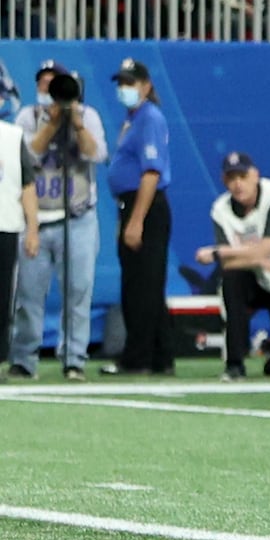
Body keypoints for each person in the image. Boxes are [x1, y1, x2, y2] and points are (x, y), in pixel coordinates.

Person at [9, 63, 106, 382]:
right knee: (29, 295)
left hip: (78, 216)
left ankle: (74, 358)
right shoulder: (28, 117)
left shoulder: (87, 115)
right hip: (37, 219)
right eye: (45, 83)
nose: (51, 90)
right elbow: (29, 155)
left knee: (78, 291)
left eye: (56, 83)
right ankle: (24, 359)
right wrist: (51, 124)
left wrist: (75, 122)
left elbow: (97, 154)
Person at [196, 151, 270, 381]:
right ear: (224, 181)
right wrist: (258, 259)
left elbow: (264, 248)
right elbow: (230, 263)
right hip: (254, 277)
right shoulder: (221, 209)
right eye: (231, 179)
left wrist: (218, 251)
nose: (238, 184)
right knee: (232, 280)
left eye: (242, 176)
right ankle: (234, 363)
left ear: (255, 175)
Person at [103, 57, 174, 376]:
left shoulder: (150, 118)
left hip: (144, 206)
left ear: (146, 86)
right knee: (144, 283)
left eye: (130, 83)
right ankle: (160, 354)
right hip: (132, 205)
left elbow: (151, 172)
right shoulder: (134, 119)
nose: (124, 89)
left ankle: (138, 356)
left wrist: (136, 220)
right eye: (121, 83)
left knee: (141, 286)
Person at [0, 97, 40, 381]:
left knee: (2, 298)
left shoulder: (13, 137)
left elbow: (27, 185)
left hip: (5, 225)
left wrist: (33, 228)